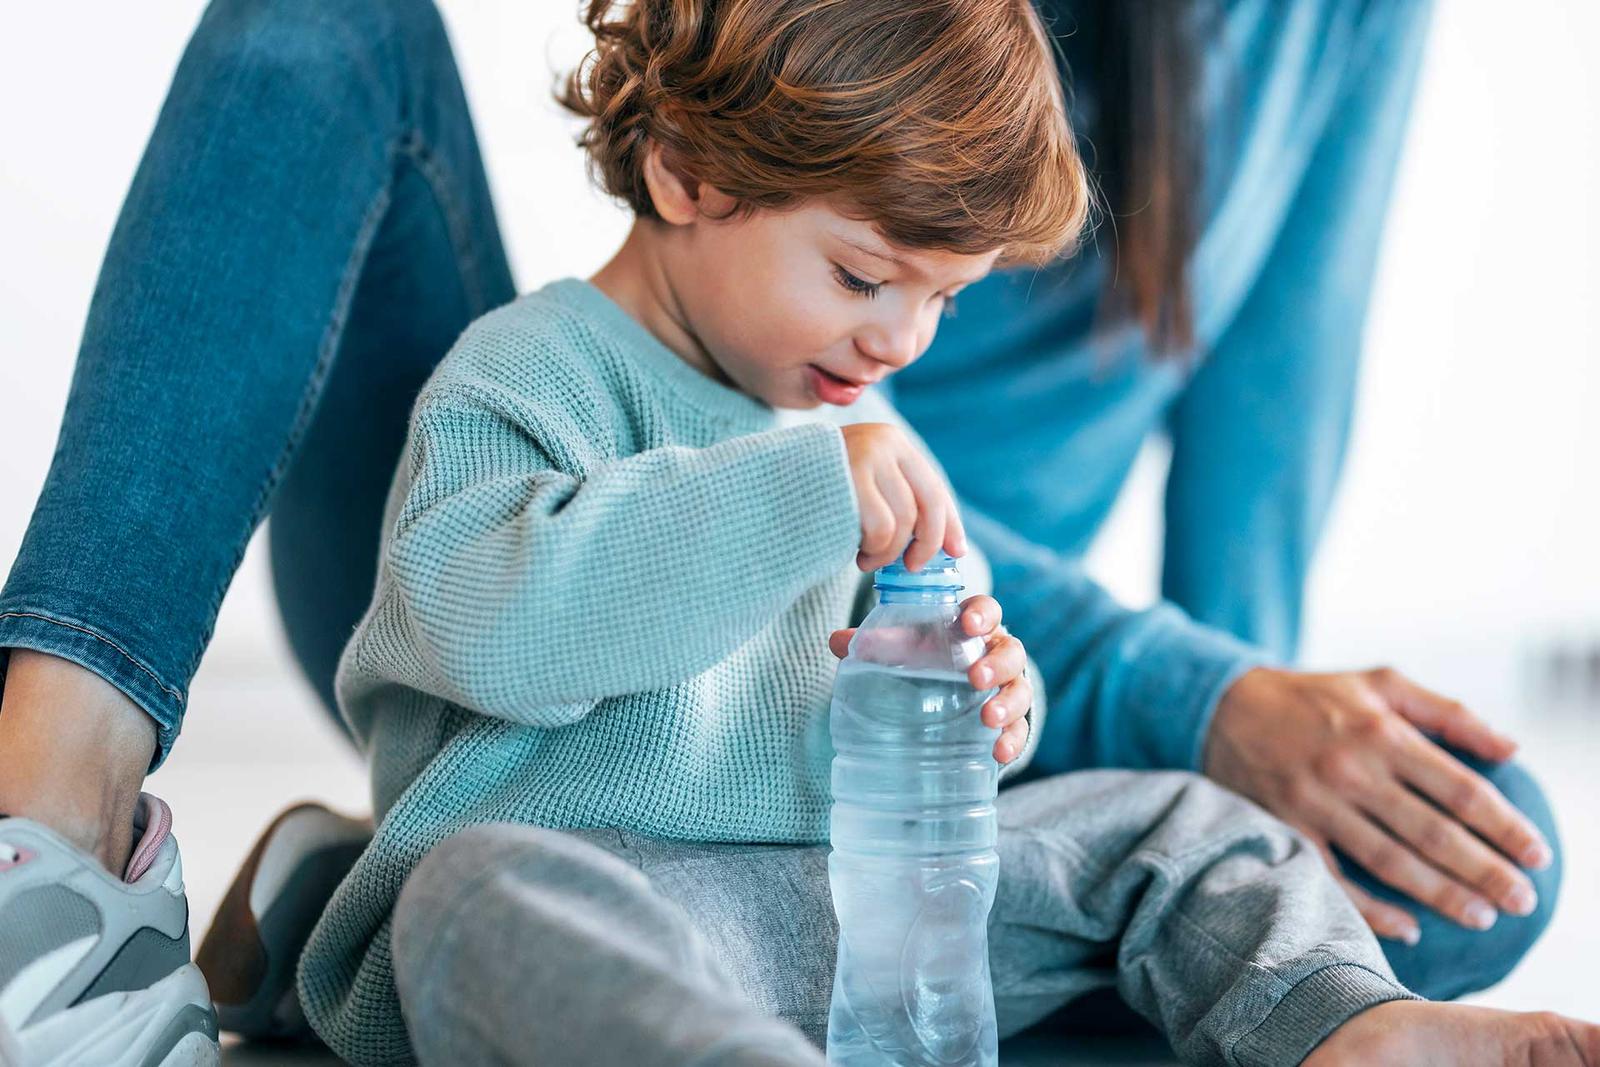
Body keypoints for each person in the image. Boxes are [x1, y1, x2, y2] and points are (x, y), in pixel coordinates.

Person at [0, 0, 1562, 1056]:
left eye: (942, 302)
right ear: (683, 172)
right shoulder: (542, 374)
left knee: (1206, 834)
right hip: (602, 862)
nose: (899, 344)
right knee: (480, 900)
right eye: (870, 279)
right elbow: (476, 615)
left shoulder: (824, 411)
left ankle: (1333, 1019)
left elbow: (825, 724)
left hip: (802, 893)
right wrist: (811, 484)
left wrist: (986, 708)